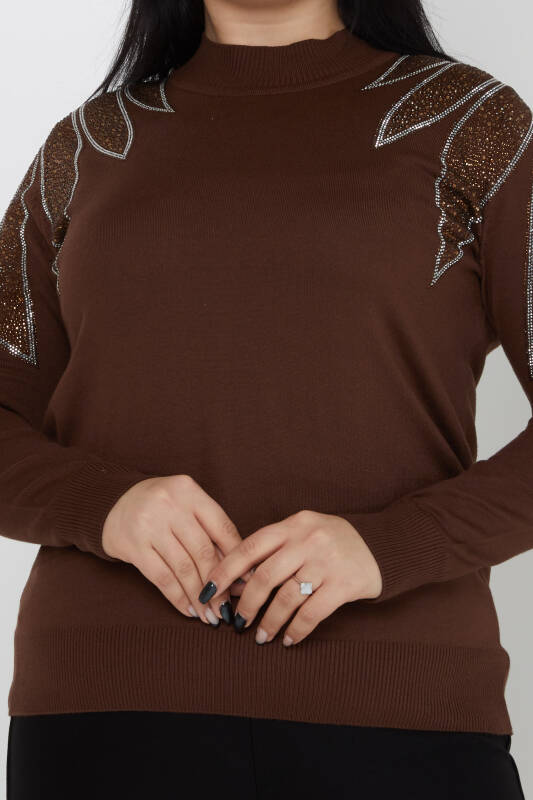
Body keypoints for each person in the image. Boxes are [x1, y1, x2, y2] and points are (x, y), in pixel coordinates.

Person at [1, 0, 530, 797]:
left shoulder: (473, 125)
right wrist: (103, 505)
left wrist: (393, 545)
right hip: (102, 709)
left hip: (402, 712)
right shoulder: (89, 146)